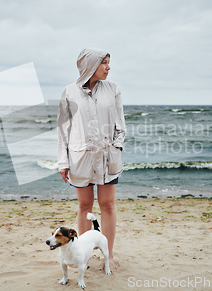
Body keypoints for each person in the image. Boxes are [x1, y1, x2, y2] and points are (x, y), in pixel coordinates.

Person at [57, 48, 125, 270]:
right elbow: (63, 130)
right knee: (85, 206)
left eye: (108, 62)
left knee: (107, 205)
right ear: (90, 65)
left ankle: (109, 256)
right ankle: (82, 256)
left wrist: (116, 146)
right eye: (103, 63)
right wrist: (63, 162)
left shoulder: (112, 89)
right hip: (81, 158)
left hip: (107, 158)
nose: (108, 67)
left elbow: (120, 125)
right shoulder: (69, 92)